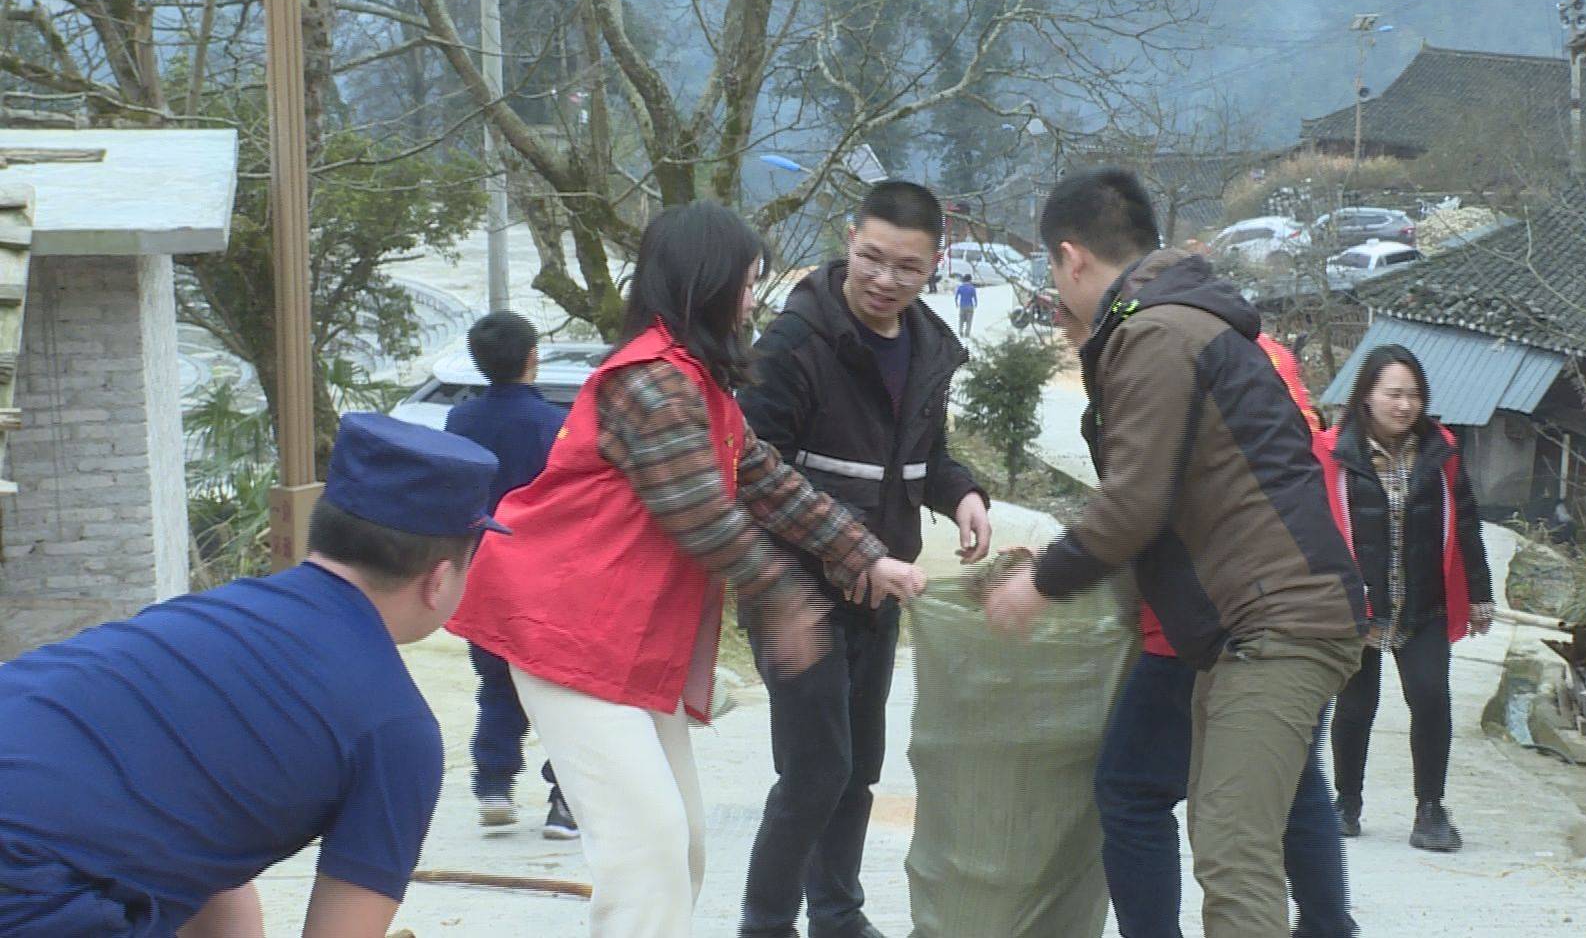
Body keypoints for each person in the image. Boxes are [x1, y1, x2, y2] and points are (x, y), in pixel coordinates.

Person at [447, 201, 928, 938]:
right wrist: (791, 601)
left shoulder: (698, 384)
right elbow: (701, 514)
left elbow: (767, 481)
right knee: (648, 852)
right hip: (564, 633)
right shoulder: (651, 382)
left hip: (624, 646)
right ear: (705, 283)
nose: (750, 300)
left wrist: (868, 557)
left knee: (683, 847)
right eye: (745, 283)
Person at [985, 169, 1367, 938]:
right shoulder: (1176, 319)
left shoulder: (1154, 332)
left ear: (1070, 258)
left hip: (1278, 622)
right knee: (1234, 827)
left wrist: (1040, 583)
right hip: (1246, 626)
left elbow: (1135, 502)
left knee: (1232, 850)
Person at [0, 413, 503, 938]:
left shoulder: (200, 618)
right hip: (28, 886)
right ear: (440, 577)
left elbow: (205, 839)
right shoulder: (396, 728)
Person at [737, 180, 991, 938]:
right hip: (796, 592)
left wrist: (965, 495)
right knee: (814, 771)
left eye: (907, 268)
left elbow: (923, 458)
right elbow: (756, 474)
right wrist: (829, 564)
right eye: (871, 257)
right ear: (849, 237)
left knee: (857, 770)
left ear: (935, 265)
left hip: (878, 592)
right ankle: (765, 924)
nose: (885, 280)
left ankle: (838, 915)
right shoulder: (793, 345)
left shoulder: (927, 346)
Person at [1093, 327, 1355, 938]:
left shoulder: (1199, 392)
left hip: (1212, 632)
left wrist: (1052, 575)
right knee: (1287, 785)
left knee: (1139, 794)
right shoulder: (1284, 406)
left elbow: (1143, 512)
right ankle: (1326, 924)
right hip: (1304, 623)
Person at [1323, 344, 1494, 852]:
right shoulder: (1333, 453)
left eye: (1413, 395)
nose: (1405, 405)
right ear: (1367, 396)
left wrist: (1481, 594)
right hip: (1358, 610)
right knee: (1355, 706)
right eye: (1393, 393)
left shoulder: (1440, 451)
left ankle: (1430, 811)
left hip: (1424, 605)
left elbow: (1465, 523)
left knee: (1431, 700)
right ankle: (1346, 803)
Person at [444, 309, 578, 838]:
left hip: (482, 570)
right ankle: (564, 803)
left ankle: (494, 787)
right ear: (532, 356)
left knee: (497, 682)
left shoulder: (461, 422)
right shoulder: (558, 425)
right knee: (561, 686)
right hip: (549, 573)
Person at [953, 273, 978, 338]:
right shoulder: (972, 288)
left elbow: (956, 297)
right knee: (969, 321)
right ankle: (967, 333)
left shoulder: (960, 287)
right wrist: (976, 304)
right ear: (970, 280)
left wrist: (956, 304)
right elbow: (974, 297)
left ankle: (961, 332)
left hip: (962, 306)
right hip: (970, 306)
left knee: (961, 320)